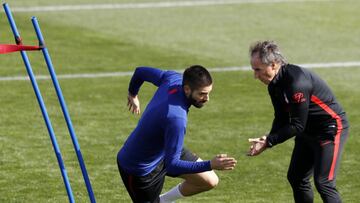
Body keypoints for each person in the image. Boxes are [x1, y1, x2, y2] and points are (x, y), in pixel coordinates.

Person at [247, 40, 349, 203]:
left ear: (273, 65)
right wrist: (268, 138)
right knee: (296, 177)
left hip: (329, 129)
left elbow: (296, 125)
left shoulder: (296, 83)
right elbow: (281, 117)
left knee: (324, 183)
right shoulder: (274, 84)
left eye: (258, 70)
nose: (255, 75)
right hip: (308, 130)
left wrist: (269, 142)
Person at [117, 65, 237, 203]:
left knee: (209, 180)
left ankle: (164, 201)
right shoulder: (176, 118)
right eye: (202, 94)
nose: (207, 98)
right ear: (187, 89)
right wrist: (210, 164)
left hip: (164, 150)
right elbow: (172, 165)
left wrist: (133, 93)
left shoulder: (173, 79)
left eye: (208, 93)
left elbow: (140, 72)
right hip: (140, 169)